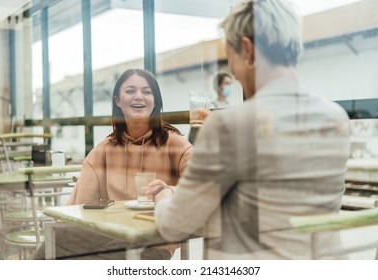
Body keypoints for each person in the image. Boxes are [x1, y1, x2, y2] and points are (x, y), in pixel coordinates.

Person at [148, 0, 350, 259]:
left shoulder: (229, 125)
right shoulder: (335, 117)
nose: (232, 68)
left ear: (247, 50)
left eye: (229, 56)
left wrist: (164, 196)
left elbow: (176, 225)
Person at [34, 68, 192, 259]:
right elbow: (78, 207)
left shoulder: (175, 144)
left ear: (155, 101)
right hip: (108, 234)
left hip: (153, 242)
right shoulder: (104, 150)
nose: (139, 97)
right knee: (54, 239)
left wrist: (168, 190)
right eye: (130, 91)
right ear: (118, 100)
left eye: (147, 92)